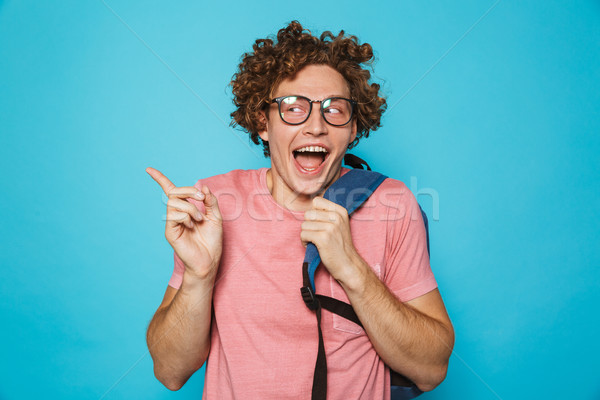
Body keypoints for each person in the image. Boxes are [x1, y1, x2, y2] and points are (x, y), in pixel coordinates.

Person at [145, 21, 454, 399]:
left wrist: (352, 269)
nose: (315, 126)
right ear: (263, 122)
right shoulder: (215, 204)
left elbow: (432, 369)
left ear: (353, 126)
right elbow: (170, 371)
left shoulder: (392, 204)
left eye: (334, 110)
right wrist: (199, 275)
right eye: (293, 108)